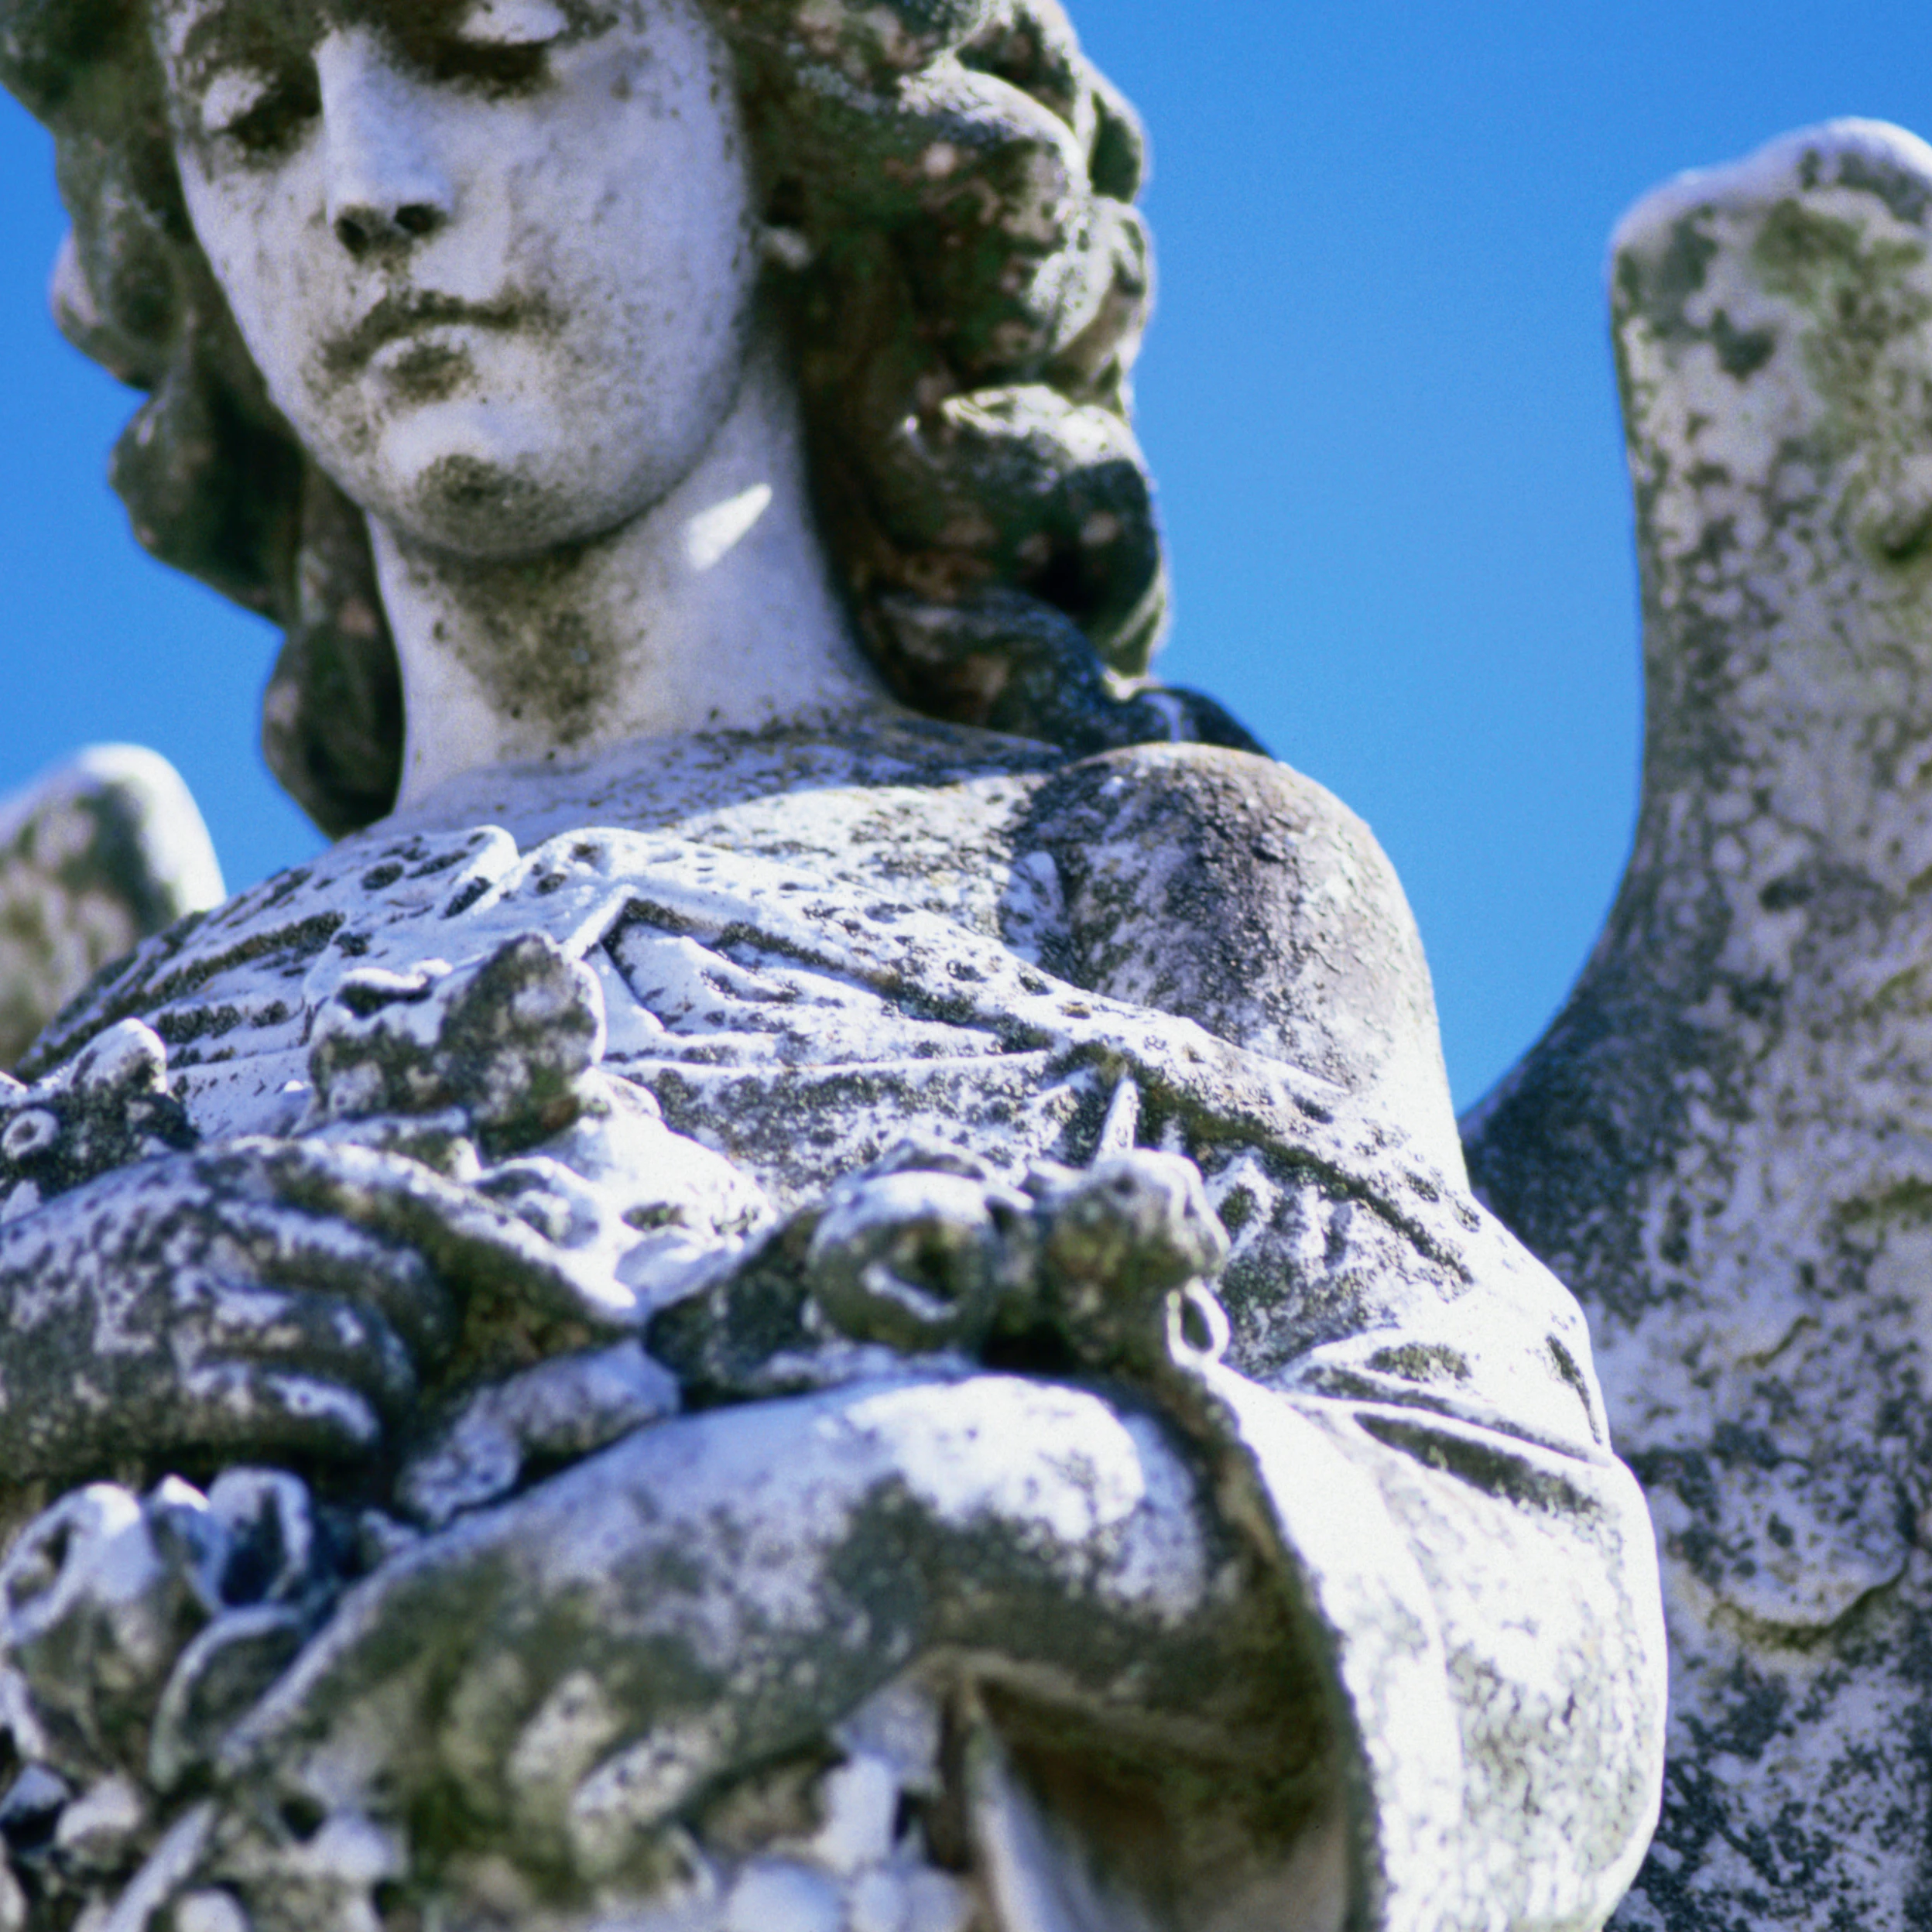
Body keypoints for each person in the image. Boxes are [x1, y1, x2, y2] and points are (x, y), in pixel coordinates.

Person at [0, 2, 1666, 1928]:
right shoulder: (113, 1061)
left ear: (791, 141)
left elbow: (1538, 1624)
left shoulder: (1134, 878)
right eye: (255, 112)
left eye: (492, 46)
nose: (367, 187)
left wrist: (904, 1509)